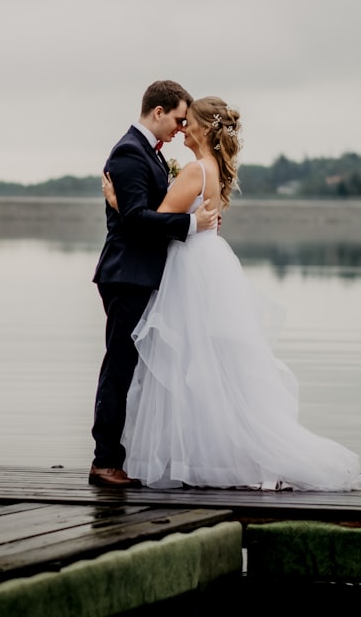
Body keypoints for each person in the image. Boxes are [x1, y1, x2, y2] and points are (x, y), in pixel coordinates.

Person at [103, 95, 361, 491]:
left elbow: (152, 220)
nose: (182, 128)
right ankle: (209, 454)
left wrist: (116, 202)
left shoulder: (195, 170)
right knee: (206, 363)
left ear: (203, 129)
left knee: (189, 363)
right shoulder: (212, 169)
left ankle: (194, 456)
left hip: (191, 267)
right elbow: (181, 218)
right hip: (206, 263)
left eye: (187, 122)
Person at [89, 80, 219, 488]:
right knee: (119, 366)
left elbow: (135, 212)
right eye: (179, 119)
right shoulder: (130, 151)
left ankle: (126, 456)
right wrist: (190, 223)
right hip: (126, 274)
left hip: (142, 273)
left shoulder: (150, 154)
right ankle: (105, 461)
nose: (181, 128)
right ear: (158, 112)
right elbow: (134, 220)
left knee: (135, 367)